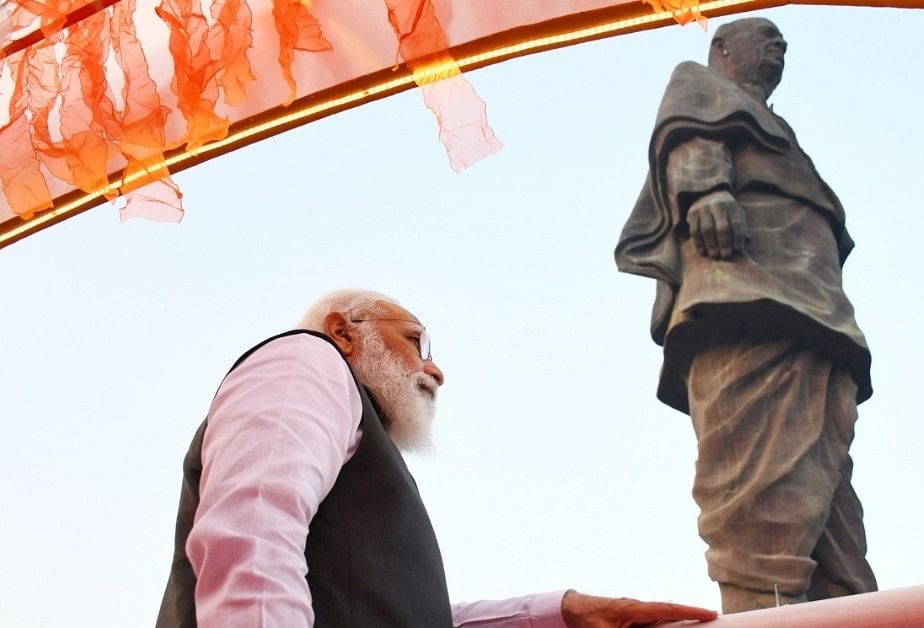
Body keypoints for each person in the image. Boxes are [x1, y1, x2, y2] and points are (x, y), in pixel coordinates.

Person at [156, 289, 717, 627]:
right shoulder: (310, 361)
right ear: (341, 332)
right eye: (417, 341)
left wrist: (565, 611)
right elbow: (253, 534)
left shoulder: (356, 434)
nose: (436, 369)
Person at [615, 18, 877, 613]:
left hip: (814, 312)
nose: (779, 43)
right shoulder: (701, 88)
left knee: (830, 502)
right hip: (747, 298)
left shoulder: (775, 127)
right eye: (765, 33)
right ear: (722, 48)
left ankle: (850, 610)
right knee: (761, 492)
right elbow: (689, 139)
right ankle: (764, 614)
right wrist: (706, 192)